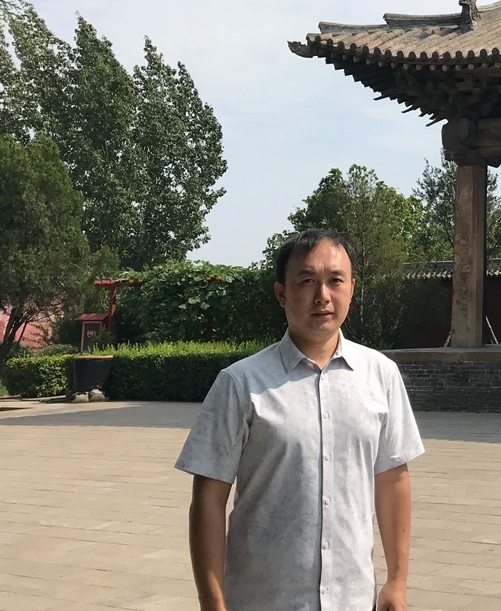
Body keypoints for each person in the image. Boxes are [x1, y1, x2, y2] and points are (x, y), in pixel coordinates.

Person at [175, 228, 424, 611]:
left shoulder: (381, 375)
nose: (322, 295)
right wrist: (212, 602)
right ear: (282, 293)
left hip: (352, 599)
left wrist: (397, 580)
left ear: (352, 289)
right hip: (262, 600)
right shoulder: (241, 384)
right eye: (307, 281)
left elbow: (393, 480)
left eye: (335, 280)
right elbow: (208, 499)